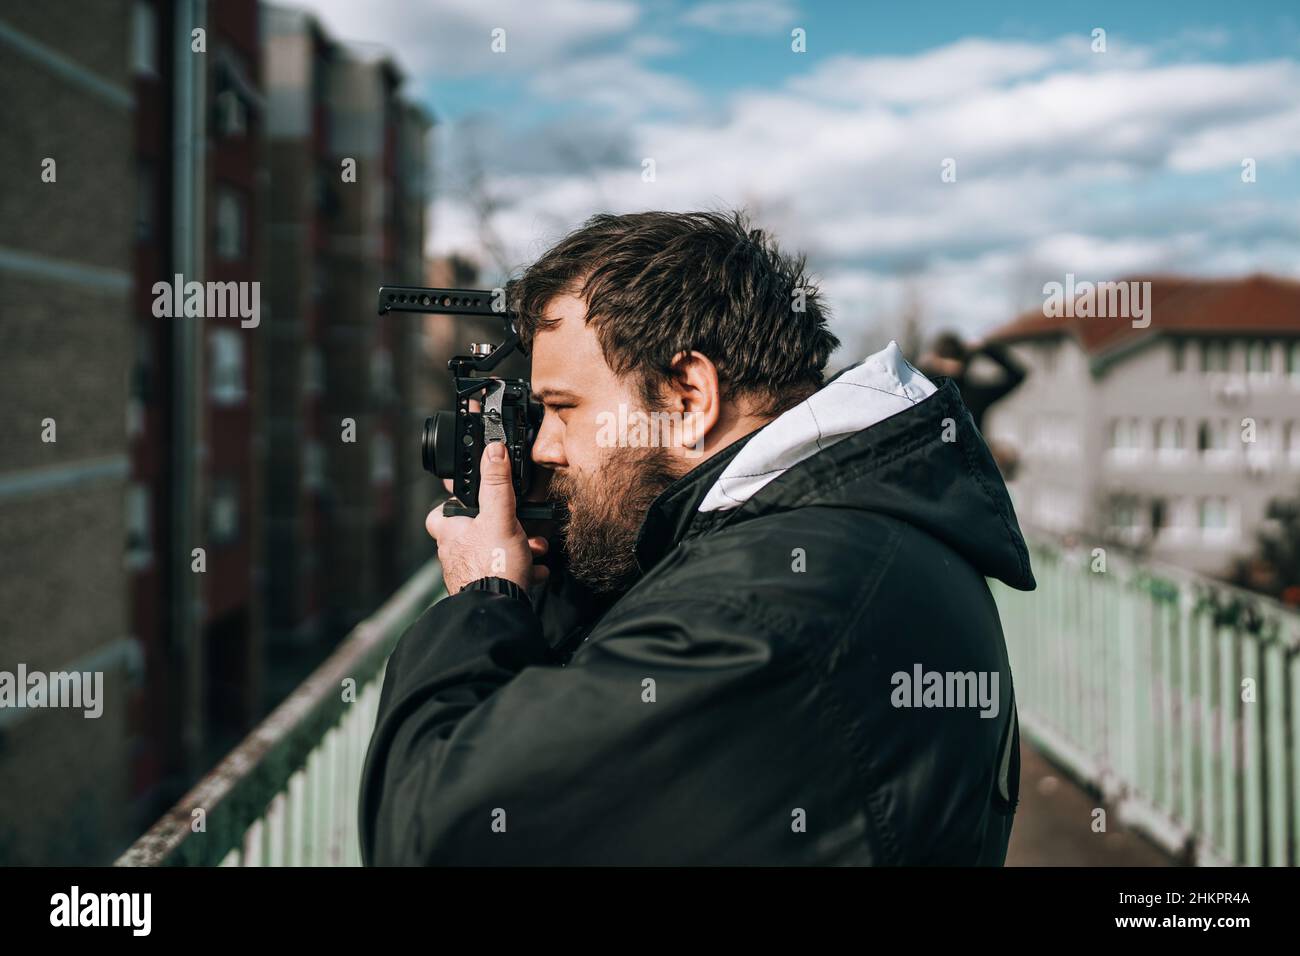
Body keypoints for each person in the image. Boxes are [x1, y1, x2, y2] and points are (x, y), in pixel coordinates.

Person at [358, 211, 1035, 865]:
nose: (544, 448)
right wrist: (556, 571)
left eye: (564, 408)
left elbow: (434, 835)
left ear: (688, 396)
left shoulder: (760, 614)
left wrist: (484, 596)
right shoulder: (838, 528)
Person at [918, 331, 1026, 434]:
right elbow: (1017, 376)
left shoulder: (927, 392)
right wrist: (984, 349)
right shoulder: (975, 394)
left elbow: (1017, 376)